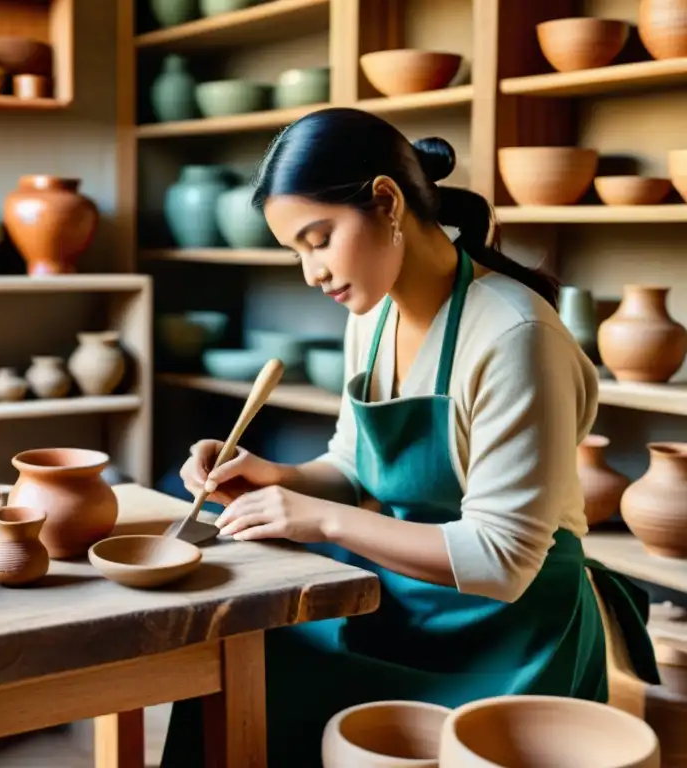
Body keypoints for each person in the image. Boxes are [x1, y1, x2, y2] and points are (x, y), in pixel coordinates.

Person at [160, 107, 660, 767]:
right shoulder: (372, 313)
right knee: (239, 656)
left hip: (508, 643)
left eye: (319, 238)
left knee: (274, 685)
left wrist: (321, 521)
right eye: (296, 251)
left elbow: (501, 563)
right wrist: (277, 477)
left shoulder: (515, 336)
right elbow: (353, 462)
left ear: (387, 202)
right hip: (402, 607)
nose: (311, 272)